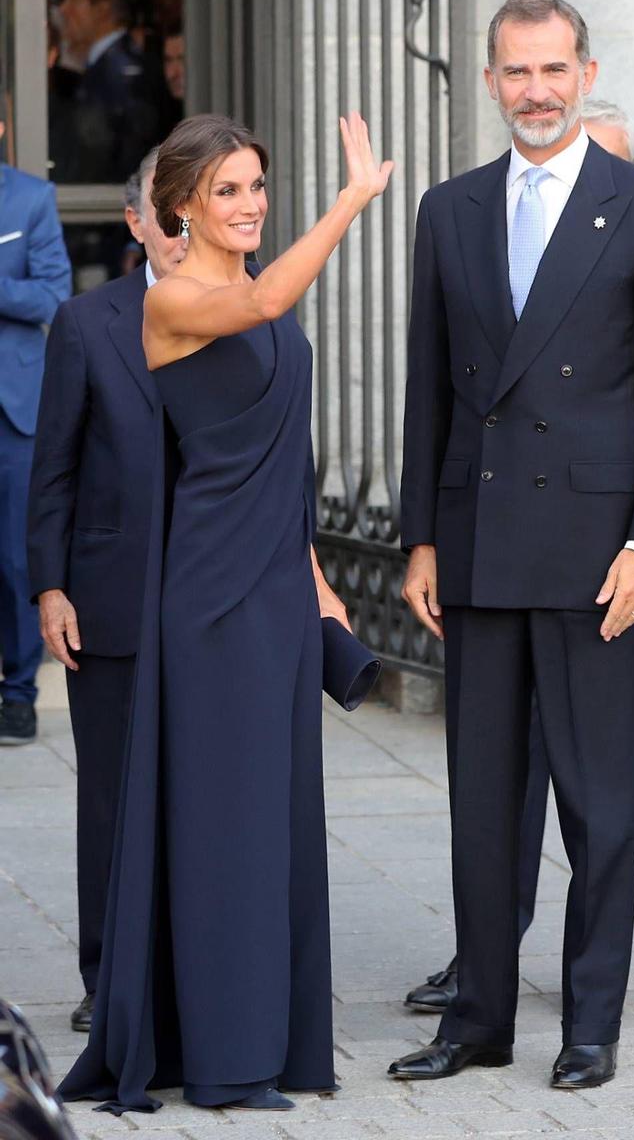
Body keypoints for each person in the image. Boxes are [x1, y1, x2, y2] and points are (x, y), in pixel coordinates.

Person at [391, 0, 634, 1090]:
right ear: (488, 81)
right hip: (478, 550)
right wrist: (419, 540)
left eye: (551, 71)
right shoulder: (449, 208)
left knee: (598, 803)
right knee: (481, 802)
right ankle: (476, 1020)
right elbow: (427, 387)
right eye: (514, 73)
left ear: (583, 71)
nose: (533, 92)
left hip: (595, 560)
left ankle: (589, 1024)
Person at [58, 111, 391, 1114]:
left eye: (257, 187)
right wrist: (349, 202)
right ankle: (218, 1055)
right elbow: (273, 300)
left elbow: (282, 466)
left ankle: (271, 1045)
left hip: (274, 593)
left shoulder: (246, 294)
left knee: (270, 820)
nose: (248, 206)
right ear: (181, 210)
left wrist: (320, 582)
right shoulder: (184, 307)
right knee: (219, 824)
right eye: (228, 192)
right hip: (206, 597)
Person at [27, 148, 186, 1034]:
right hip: (110, 597)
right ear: (135, 224)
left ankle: (193, 965)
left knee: (199, 790)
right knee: (113, 799)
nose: (180, 231)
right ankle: (110, 976)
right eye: (166, 214)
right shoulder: (87, 324)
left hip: (212, 596)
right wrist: (51, 587)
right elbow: (51, 469)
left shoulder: (249, 312)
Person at [0, 104, 71, 745]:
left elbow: (54, 292)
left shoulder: (31, 199)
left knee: (17, 559)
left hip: (12, 406)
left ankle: (18, 693)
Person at [57, 0, 161, 183]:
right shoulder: (107, 66)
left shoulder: (120, 73)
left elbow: (122, 157)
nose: (63, 9)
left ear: (102, 9)